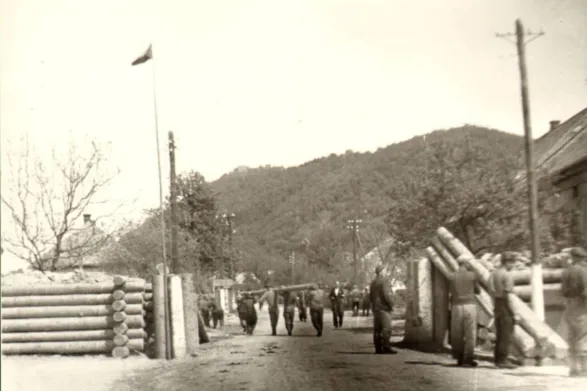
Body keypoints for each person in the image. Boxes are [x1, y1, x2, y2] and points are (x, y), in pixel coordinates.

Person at [489, 251, 519, 369]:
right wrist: (515, 313)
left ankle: (497, 359)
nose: (513, 265)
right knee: (506, 334)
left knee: (500, 333)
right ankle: (503, 360)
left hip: (497, 304)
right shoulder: (507, 275)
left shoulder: (493, 273)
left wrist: (495, 306)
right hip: (505, 305)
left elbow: (490, 290)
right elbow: (509, 296)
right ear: (508, 262)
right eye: (512, 263)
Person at [561, 247, 587, 377]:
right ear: (580, 258)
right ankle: (584, 369)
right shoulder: (583, 271)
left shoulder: (566, 271)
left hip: (569, 305)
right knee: (583, 337)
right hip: (581, 306)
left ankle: (573, 369)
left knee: (572, 337)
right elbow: (585, 291)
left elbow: (563, 291)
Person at [450, 255, 480, 367]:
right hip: (470, 305)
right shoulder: (472, 275)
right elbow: (478, 290)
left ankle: (459, 357)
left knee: (457, 333)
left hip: (456, 306)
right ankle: (468, 358)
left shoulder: (452, 276)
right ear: (466, 264)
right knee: (470, 333)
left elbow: (451, 291)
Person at [369, 264, 397, 354]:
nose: (386, 272)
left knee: (377, 329)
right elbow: (386, 295)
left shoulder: (373, 282)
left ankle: (378, 348)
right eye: (385, 270)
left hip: (375, 308)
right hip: (384, 308)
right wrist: (392, 304)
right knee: (386, 328)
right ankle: (386, 347)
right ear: (381, 272)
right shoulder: (384, 281)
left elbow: (370, 296)